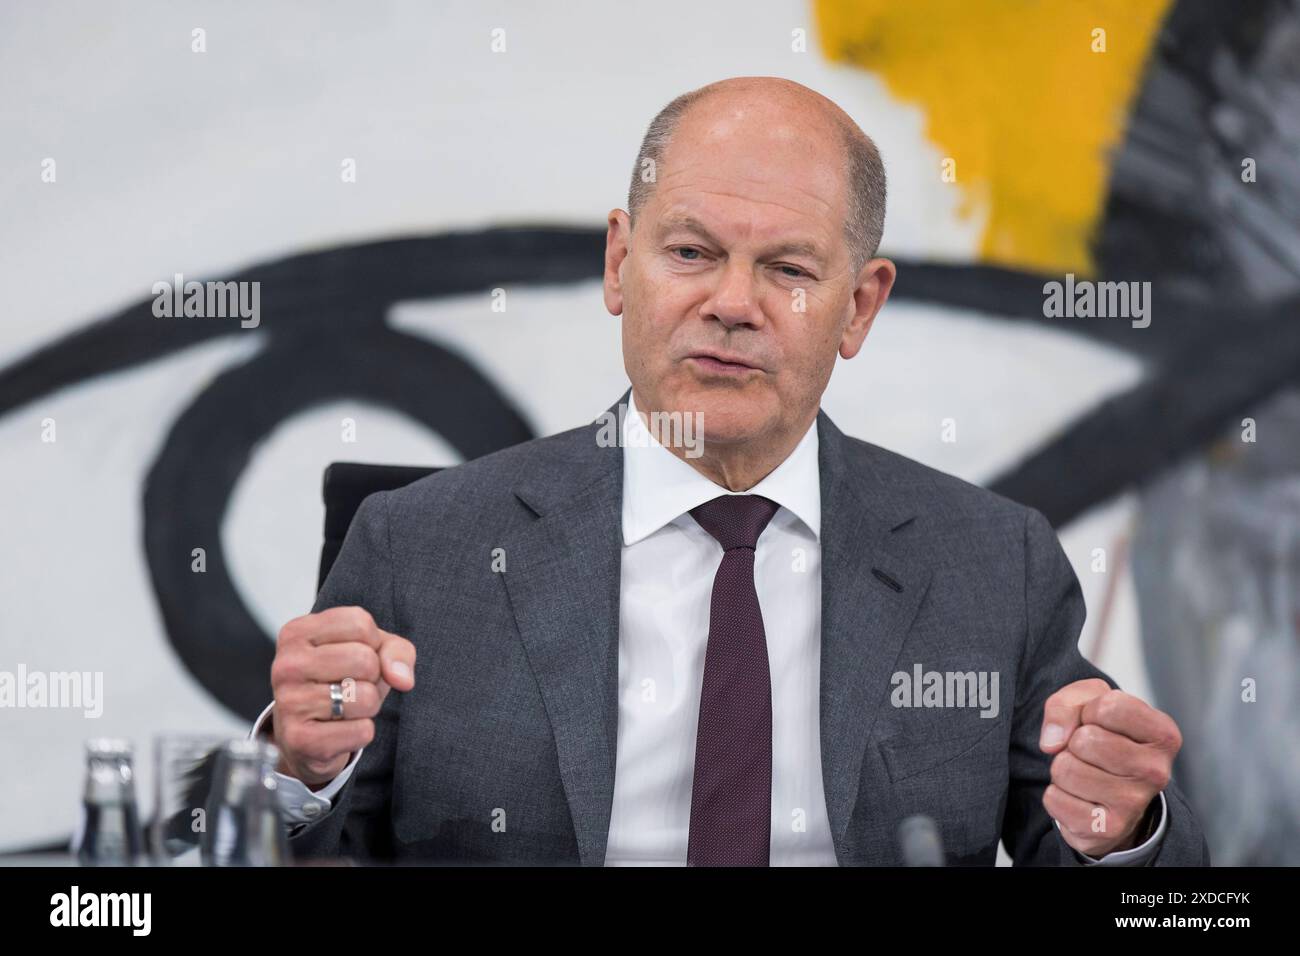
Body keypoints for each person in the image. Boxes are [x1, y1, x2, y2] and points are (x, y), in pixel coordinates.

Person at [251, 76, 1207, 866]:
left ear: (860, 307)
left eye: (789, 269)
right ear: (620, 264)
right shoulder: (420, 545)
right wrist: (300, 774)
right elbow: (297, 852)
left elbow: (1150, 886)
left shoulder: (996, 564)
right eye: (691, 252)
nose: (732, 304)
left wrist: (1120, 830)